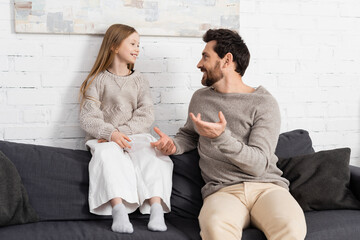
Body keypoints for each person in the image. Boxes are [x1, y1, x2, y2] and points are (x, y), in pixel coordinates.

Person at [151, 29, 307, 240]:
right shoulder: (200, 98)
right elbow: (190, 135)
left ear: (227, 60)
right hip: (223, 190)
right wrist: (173, 145)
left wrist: (221, 138)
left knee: (292, 227)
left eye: (206, 56)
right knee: (215, 227)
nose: (199, 64)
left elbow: (258, 164)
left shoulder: (263, 103)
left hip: (267, 188)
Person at [79, 24, 173, 234]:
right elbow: (88, 117)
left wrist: (121, 132)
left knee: (152, 152)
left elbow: (146, 113)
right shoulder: (97, 80)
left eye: (138, 44)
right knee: (106, 155)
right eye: (132, 43)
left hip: (133, 134)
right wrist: (111, 134)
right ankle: (119, 210)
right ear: (114, 46)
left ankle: (156, 208)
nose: (137, 48)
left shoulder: (140, 80)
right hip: (105, 138)